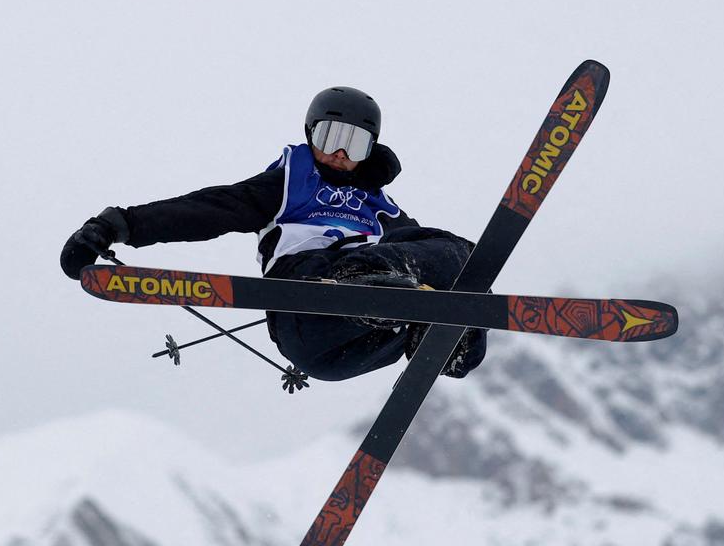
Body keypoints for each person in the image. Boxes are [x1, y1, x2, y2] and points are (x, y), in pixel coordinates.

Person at [59, 86, 485, 380]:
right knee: (383, 263)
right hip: (308, 308)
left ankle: (446, 339)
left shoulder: (381, 208)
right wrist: (118, 225)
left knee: (455, 252)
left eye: (354, 145)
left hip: (358, 345)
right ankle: (363, 288)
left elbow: (429, 253)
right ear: (309, 133)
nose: (339, 153)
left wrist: (456, 285)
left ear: (370, 150)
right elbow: (208, 210)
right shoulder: (288, 183)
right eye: (331, 137)